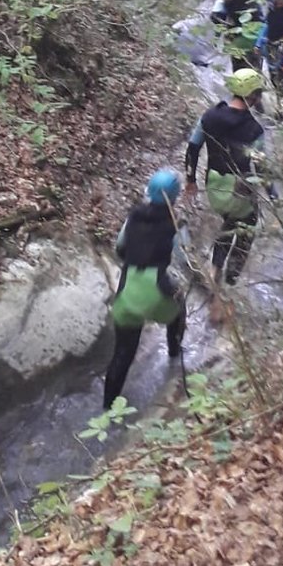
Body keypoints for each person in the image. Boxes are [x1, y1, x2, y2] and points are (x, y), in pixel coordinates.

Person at [185, 68, 266, 317]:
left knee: (229, 221)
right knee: (248, 225)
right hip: (238, 189)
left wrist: (191, 181)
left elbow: (193, 147)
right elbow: (261, 165)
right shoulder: (254, 129)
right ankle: (230, 281)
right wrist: (268, 192)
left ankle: (214, 269)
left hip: (214, 186)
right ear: (252, 96)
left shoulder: (209, 116)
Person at [103, 169, 187, 410]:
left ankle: (107, 409)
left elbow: (120, 248)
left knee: (122, 355)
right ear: (174, 198)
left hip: (128, 289)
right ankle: (174, 352)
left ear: (148, 192)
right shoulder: (176, 224)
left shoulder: (133, 217)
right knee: (179, 306)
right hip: (157, 288)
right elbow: (185, 257)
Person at [209, 0, 266, 72]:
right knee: (255, 70)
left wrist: (217, 37)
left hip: (237, 40)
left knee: (240, 72)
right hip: (256, 39)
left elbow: (215, 17)